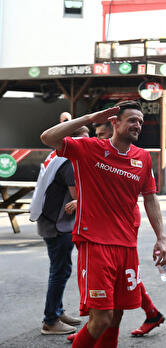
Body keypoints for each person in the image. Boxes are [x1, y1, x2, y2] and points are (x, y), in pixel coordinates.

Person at [39, 101, 166, 348]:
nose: (137, 125)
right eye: (132, 120)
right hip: (95, 244)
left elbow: (150, 198)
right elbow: (47, 137)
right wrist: (89, 117)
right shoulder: (88, 148)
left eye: (140, 121)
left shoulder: (143, 158)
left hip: (127, 247)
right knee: (101, 319)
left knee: (116, 318)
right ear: (114, 122)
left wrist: (161, 238)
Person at [90, 120, 166, 338]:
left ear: (113, 127)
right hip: (105, 226)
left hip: (121, 226)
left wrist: (161, 237)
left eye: (103, 134)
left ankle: (98, 324)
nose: (100, 139)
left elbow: (147, 195)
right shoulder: (96, 151)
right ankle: (149, 312)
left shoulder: (139, 156)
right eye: (97, 135)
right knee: (120, 276)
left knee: (120, 275)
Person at [31, 126, 87, 335]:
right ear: (73, 141)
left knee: (61, 269)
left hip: (49, 220)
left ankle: (57, 310)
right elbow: (78, 196)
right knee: (60, 270)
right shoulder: (70, 163)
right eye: (84, 141)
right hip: (58, 224)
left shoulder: (55, 155)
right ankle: (51, 320)